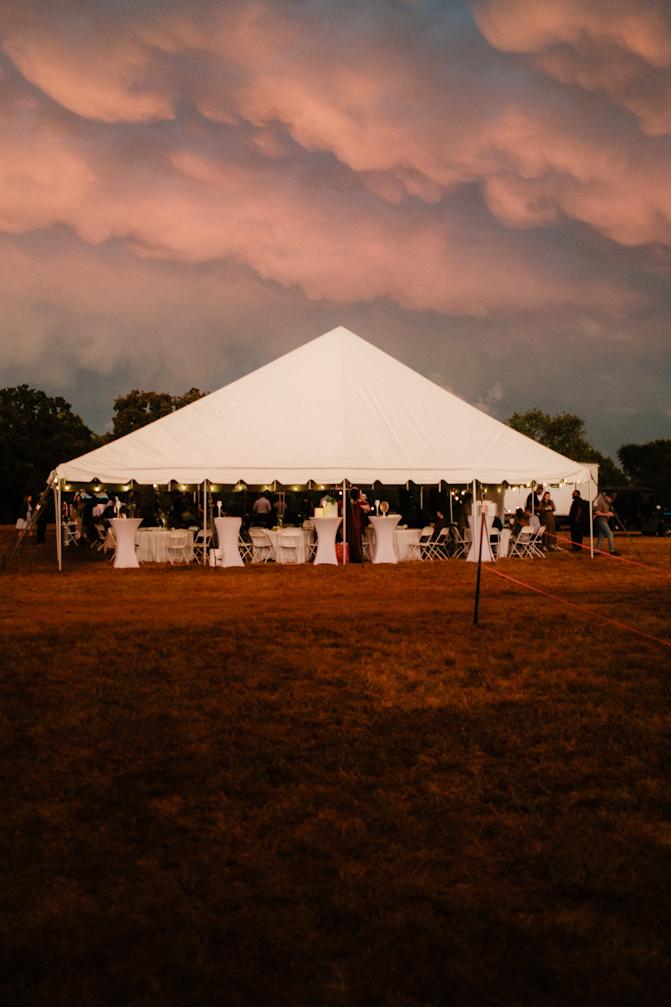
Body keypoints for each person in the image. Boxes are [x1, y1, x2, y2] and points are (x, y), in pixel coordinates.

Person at [593, 489, 620, 556]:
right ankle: (612, 550)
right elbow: (597, 512)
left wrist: (610, 513)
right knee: (610, 534)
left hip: (605, 521)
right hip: (601, 521)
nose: (611, 501)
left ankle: (596, 551)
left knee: (601, 536)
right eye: (610, 499)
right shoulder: (601, 502)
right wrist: (607, 514)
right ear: (607, 497)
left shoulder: (607, 503)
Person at [346, 487, 368, 563]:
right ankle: (356, 558)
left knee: (353, 540)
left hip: (353, 525)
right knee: (355, 540)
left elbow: (364, 512)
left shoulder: (351, 504)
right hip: (355, 524)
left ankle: (355, 558)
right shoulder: (351, 504)